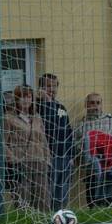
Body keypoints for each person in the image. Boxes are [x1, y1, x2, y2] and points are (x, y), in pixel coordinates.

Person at [75, 92, 112, 207]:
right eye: (92, 103)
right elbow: (76, 147)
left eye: (98, 103)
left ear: (102, 104)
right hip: (92, 171)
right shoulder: (81, 125)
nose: (95, 106)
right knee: (94, 205)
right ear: (86, 105)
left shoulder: (111, 120)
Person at [4, 85, 52, 212]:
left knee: (43, 199)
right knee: (23, 199)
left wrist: (47, 160)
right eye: (22, 97)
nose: (26, 100)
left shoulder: (37, 117)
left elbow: (44, 141)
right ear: (16, 99)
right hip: (20, 163)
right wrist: (12, 159)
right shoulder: (9, 117)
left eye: (29, 96)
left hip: (39, 161)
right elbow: (3, 143)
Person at [35, 74, 74, 211]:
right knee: (49, 190)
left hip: (64, 155)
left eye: (54, 86)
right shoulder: (36, 106)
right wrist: (47, 101)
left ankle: (60, 216)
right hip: (48, 155)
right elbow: (49, 125)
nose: (51, 89)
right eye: (48, 86)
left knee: (62, 191)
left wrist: (71, 155)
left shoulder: (61, 107)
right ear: (40, 88)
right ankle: (48, 217)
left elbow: (68, 132)